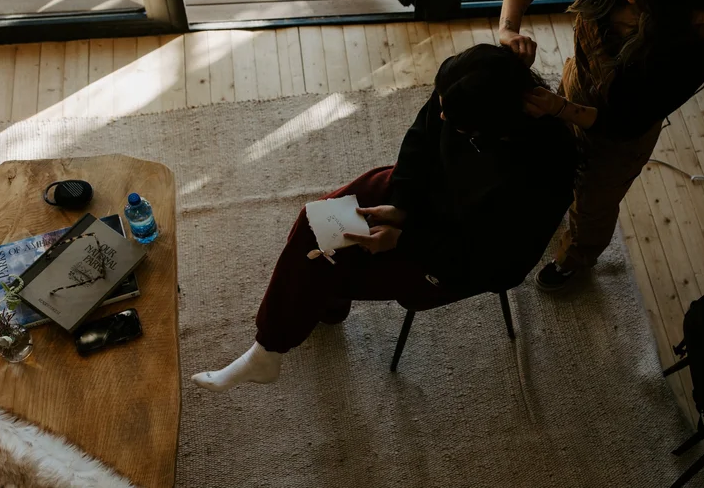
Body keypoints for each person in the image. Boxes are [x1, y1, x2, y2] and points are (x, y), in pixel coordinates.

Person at [191, 45, 576, 392]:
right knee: (316, 226)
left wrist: (404, 238)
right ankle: (298, 326)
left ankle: (270, 350)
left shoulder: (541, 175)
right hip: (416, 189)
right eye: (441, 103)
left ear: (493, 126)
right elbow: (422, 138)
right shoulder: (467, 88)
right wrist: (402, 204)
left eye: (454, 120)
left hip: (454, 250)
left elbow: (498, 267)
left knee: (329, 266)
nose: (442, 115)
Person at [501, 0, 704, 291]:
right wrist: (508, 31)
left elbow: (621, 123)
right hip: (577, 87)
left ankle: (577, 259)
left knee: (591, 204)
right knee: (551, 160)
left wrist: (557, 108)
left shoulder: (690, 48)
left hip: (617, 138)